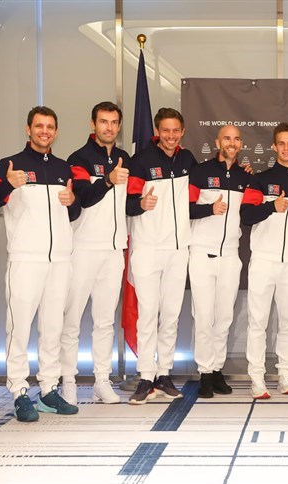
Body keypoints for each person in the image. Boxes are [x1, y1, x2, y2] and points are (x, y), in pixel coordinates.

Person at [0, 106, 80, 421]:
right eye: (39, 126)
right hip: (26, 258)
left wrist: (73, 203)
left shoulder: (65, 168)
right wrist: (8, 185)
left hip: (60, 259)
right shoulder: (10, 165)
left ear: (56, 131)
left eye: (50, 126)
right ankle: (20, 391)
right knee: (18, 327)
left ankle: (49, 390)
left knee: (53, 327)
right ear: (28, 129)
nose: (44, 131)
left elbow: (71, 215)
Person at [59, 102, 130, 406]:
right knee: (71, 319)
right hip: (84, 249)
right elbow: (83, 198)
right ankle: (69, 382)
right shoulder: (79, 158)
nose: (109, 128)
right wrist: (108, 180)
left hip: (114, 251)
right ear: (93, 124)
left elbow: (130, 202)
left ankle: (102, 380)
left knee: (105, 322)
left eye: (114, 122)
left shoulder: (125, 158)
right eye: (103, 122)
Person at [125, 107, 196, 404]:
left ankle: (164, 373)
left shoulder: (188, 159)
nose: (171, 135)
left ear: (182, 131)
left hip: (178, 250)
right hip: (147, 249)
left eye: (175, 130)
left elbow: (202, 193)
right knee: (148, 314)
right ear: (157, 131)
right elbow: (127, 205)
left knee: (170, 315)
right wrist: (141, 203)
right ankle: (145, 376)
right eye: (165, 130)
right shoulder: (140, 162)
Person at [241, 123, 288, 399]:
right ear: (274, 147)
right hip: (263, 259)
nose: (286, 148)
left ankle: (285, 375)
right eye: (281, 144)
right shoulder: (259, 180)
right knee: (257, 322)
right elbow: (246, 216)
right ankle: (257, 378)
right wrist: (272, 206)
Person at [188, 124, 249, 398]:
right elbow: (185, 208)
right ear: (217, 142)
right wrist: (208, 209)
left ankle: (216, 370)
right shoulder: (200, 172)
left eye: (236, 139)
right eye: (227, 138)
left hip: (230, 255)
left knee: (224, 317)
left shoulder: (244, 177)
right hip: (202, 253)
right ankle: (204, 372)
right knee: (203, 317)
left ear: (241, 144)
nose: (231, 143)